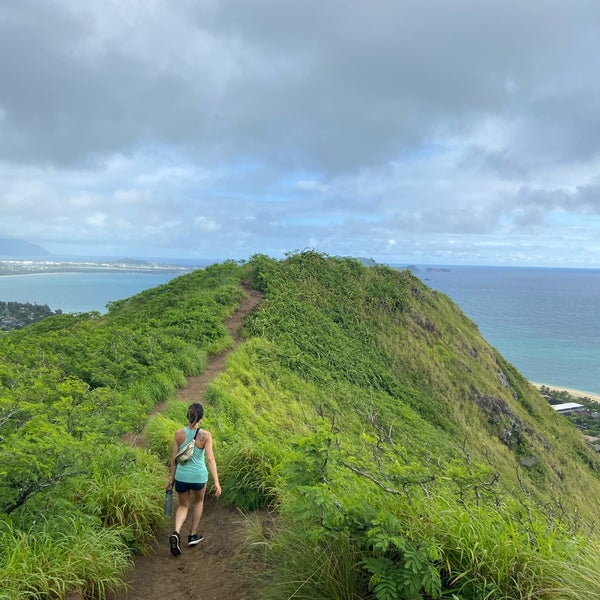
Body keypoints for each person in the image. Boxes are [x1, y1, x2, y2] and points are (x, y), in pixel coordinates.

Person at [167, 402, 221, 556]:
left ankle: (176, 532)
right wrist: (216, 481)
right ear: (201, 417)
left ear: (188, 416)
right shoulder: (206, 435)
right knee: (198, 502)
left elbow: (174, 459)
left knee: (183, 506)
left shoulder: (178, 434)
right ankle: (192, 535)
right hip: (199, 477)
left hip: (182, 476)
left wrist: (172, 478)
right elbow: (210, 459)